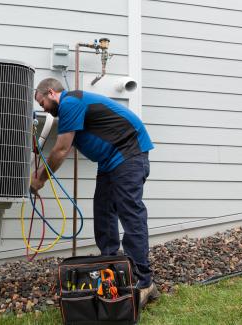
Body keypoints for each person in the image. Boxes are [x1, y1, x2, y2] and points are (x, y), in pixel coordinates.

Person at [30, 78, 159, 308]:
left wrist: (39, 179)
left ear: (51, 92)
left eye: (42, 102)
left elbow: (61, 149)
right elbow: (62, 147)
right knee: (103, 215)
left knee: (130, 214)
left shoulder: (70, 101)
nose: (42, 108)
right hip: (110, 162)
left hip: (129, 154)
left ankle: (144, 281)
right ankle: (114, 272)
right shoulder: (70, 109)